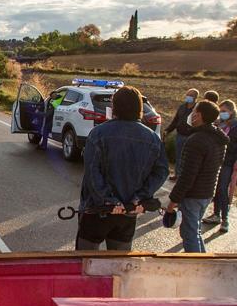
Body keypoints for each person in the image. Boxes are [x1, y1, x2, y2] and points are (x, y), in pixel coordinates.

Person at [74, 86, 168, 251]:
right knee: (119, 265)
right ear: (139, 108)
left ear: (114, 107)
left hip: (97, 211)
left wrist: (109, 200)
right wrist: (140, 197)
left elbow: (92, 173)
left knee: (85, 262)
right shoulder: (152, 138)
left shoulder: (98, 133)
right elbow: (161, 172)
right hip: (128, 212)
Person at [164, 100, 227, 253]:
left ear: (199, 116)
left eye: (194, 113)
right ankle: (203, 262)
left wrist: (172, 202)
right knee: (195, 229)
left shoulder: (196, 140)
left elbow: (187, 176)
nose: (191, 116)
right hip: (207, 191)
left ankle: (196, 267)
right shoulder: (219, 139)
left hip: (194, 194)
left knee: (189, 233)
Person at [204, 99, 237, 233]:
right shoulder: (220, 124)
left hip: (228, 161)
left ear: (232, 111)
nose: (222, 114)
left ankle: (225, 219)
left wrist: (229, 146)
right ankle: (216, 214)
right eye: (220, 111)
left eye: (224, 111)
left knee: (222, 189)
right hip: (217, 159)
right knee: (217, 189)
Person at [164, 88, 200, 181]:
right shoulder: (182, 107)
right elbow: (176, 120)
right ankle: (177, 175)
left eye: (190, 95)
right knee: (179, 156)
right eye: (187, 95)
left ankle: (185, 177)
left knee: (188, 158)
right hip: (180, 135)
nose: (188, 97)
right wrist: (168, 130)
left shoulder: (197, 109)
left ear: (195, 97)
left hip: (191, 136)